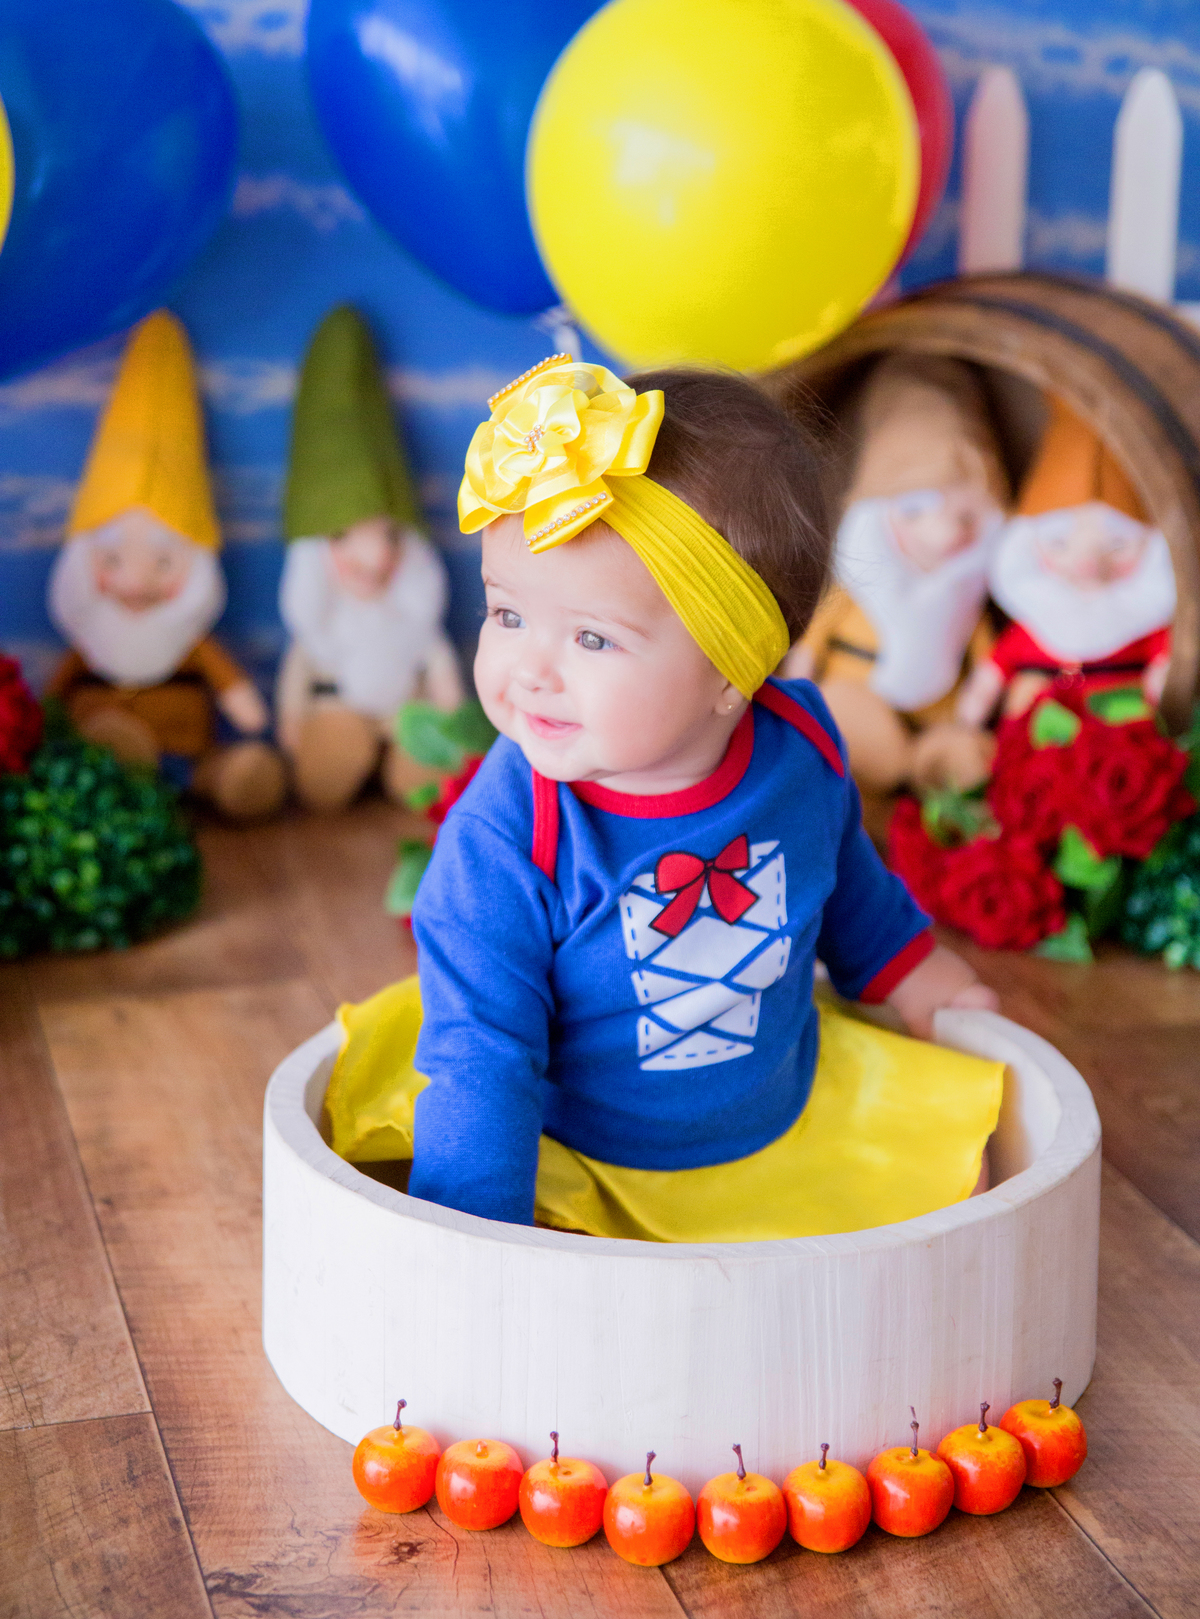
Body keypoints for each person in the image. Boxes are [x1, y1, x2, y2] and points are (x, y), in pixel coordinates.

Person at [325, 357, 1004, 1242]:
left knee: (964, 1173)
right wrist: (479, 1246)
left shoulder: (799, 748)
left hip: (779, 1120)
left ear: (732, 671)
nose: (529, 669)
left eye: (593, 638)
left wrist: (920, 977)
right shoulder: (506, 837)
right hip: (580, 1153)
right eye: (506, 614)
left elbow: (848, 887)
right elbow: (485, 1058)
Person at [47, 311, 285, 821]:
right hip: (97, 762)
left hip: (184, 756)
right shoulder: (88, 643)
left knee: (220, 774)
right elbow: (52, 696)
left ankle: (233, 780)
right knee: (97, 760)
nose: (135, 582)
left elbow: (232, 687)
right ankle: (114, 766)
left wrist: (246, 708)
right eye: (113, 560)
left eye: (162, 563)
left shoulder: (187, 640)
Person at [784, 354, 1007, 794]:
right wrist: (798, 684)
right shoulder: (856, 585)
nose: (943, 533)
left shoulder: (967, 597)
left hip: (937, 721)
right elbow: (813, 641)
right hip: (855, 701)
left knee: (963, 766)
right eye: (915, 512)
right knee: (848, 742)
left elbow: (988, 662)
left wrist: (974, 711)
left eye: (966, 516)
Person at [276, 306, 463, 810]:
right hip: (341, 706)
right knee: (334, 739)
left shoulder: (413, 616)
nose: (376, 557)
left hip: (406, 711)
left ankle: (417, 774)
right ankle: (329, 763)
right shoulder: (321, 620)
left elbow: (439, 664)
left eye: (391, 538)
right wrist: (292, 718)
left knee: (424, 753)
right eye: (346, 538)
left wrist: (450, 711)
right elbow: (299, 667)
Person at [957, 395, 1175, 726]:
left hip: (1122, 740)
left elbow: (1167, 670)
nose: (1088, 563)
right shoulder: (1032, 625)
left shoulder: (1146, 628)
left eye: (1118, 544)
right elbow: (994, 670)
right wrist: (972, 711)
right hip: (1035, 745)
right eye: (1058, 542)